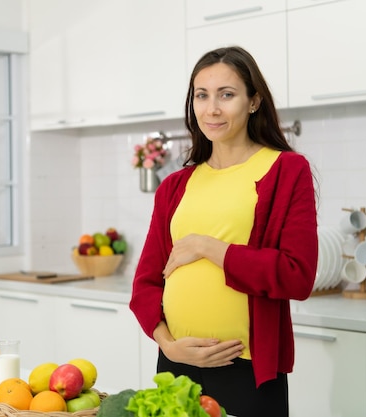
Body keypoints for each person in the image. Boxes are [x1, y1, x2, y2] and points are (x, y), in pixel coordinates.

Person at [129, 46, 318, 417]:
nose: (212, 109)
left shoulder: (286, 170)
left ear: (253, 102)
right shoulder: (175, 185)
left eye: (226, 95)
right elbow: (145, 285)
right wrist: (167, 345)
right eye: (202, 95)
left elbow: (297, 276)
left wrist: (207, 246)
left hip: (248, 372)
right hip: (176, 367)